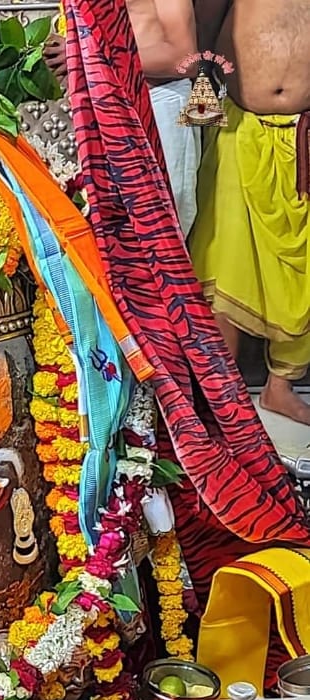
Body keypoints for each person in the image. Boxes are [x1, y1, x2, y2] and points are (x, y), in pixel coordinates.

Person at [190, 0, 310, 424]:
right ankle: (224, 395)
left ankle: (280, 386)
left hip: (303, 140)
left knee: (304, 272)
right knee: (227, 262)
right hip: (241, 133)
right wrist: (201, 91)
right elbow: (201, 29)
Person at [44, 0, 200, 236]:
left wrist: (85, 53)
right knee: (117, 240)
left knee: (161, 237)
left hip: (156, 106)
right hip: (105, 108)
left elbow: (183, 58)